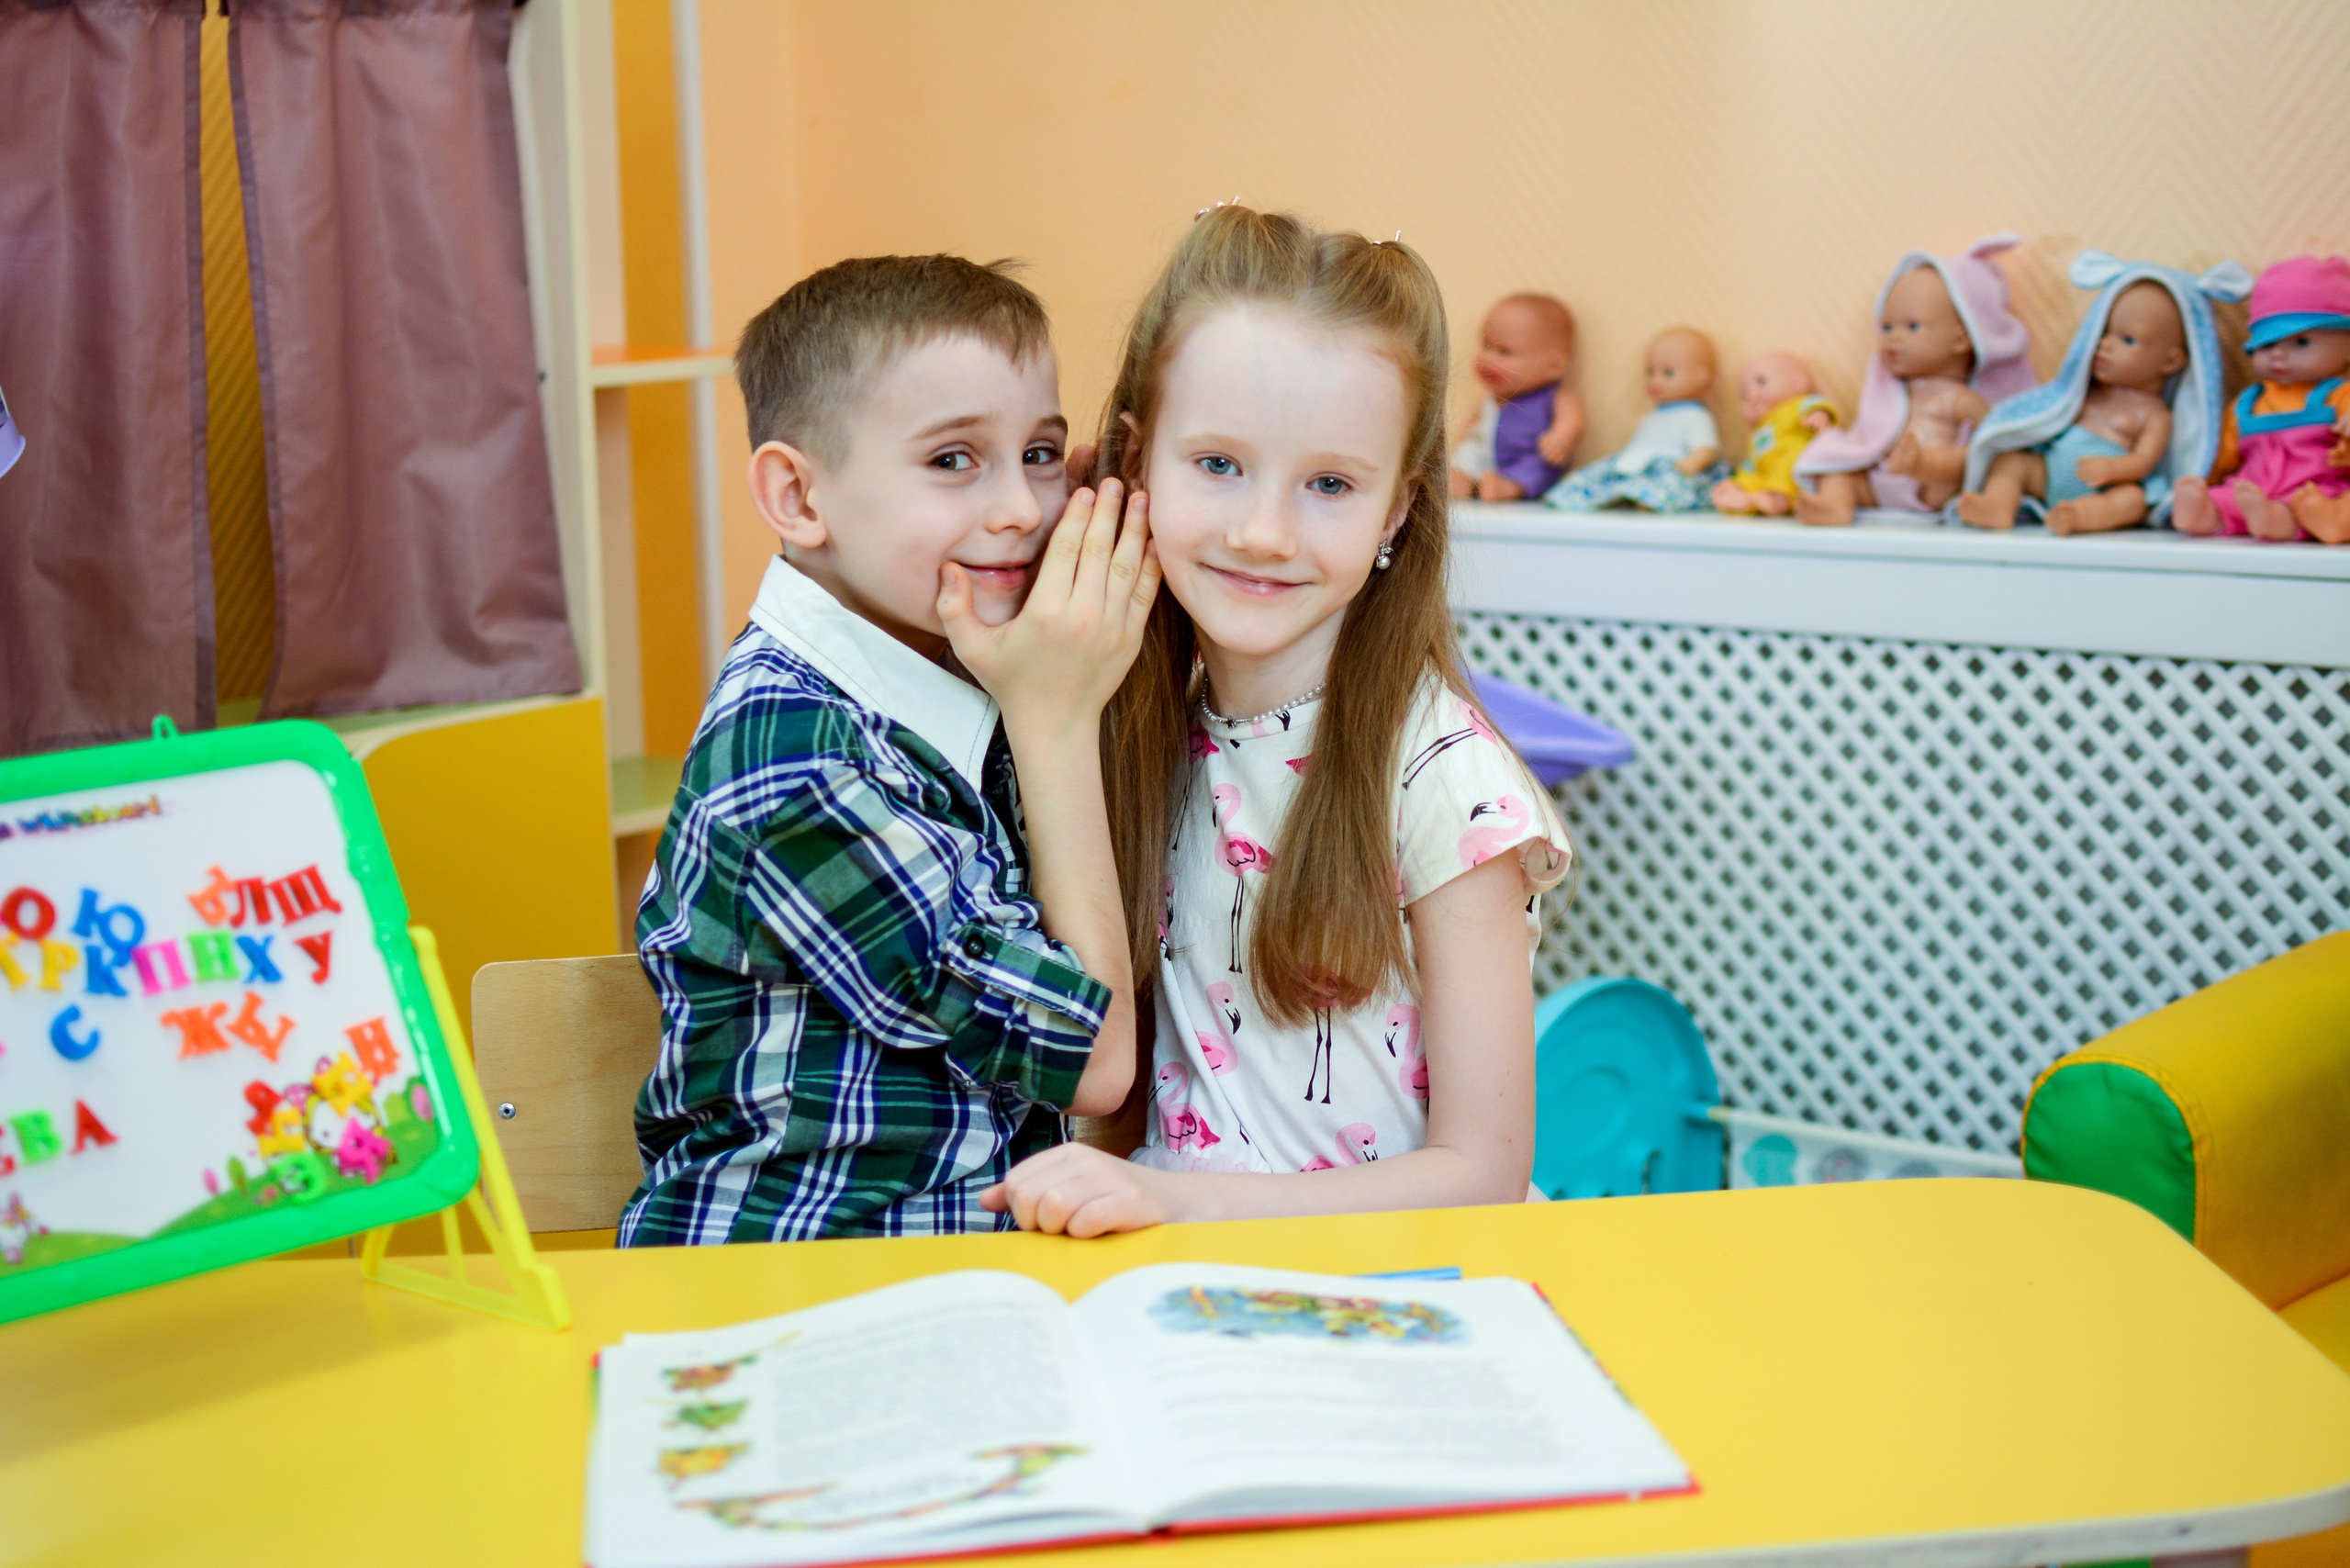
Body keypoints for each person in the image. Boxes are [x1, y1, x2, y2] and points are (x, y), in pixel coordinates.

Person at [982, 207, 1572, 1237]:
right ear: (1138, 456)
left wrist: (1176, 1198)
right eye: (1216, 465)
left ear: (1396, 509)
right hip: (1180, 1278)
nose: (1262, 532)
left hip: (1395, 1291)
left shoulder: (1441, 777)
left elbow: (1480, 1171)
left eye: (1331, 485)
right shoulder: (1134, 715)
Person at [619, 255, 1157, 1243]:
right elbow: (1096, 1066)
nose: (1022, 511)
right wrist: (1056, 720)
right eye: (953, 460)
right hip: (796, 1284)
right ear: (797, 497)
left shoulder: (960, 667)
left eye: (1041, 453)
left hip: (971, 1265)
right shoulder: (796, 761)